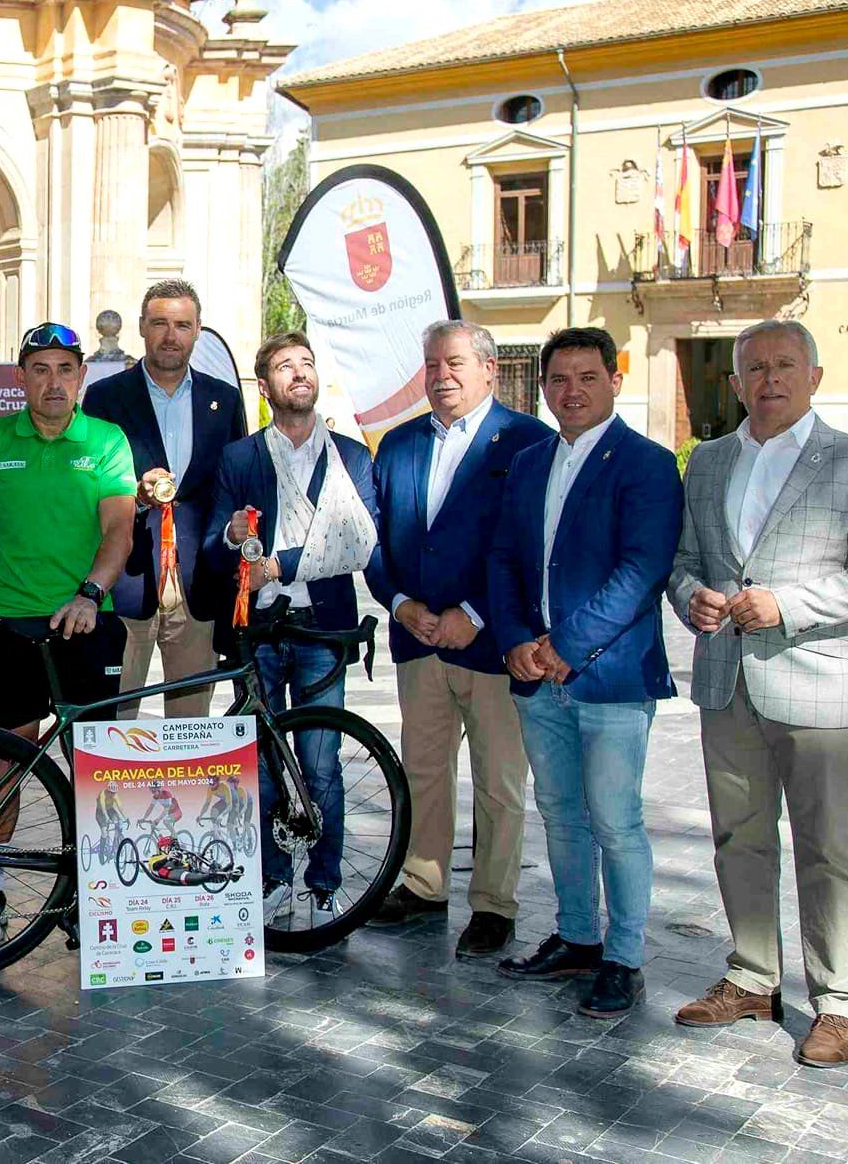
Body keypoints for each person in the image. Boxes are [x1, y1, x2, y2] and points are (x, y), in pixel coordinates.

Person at [667, 320, 848, 1067]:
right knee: (738, 837)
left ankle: (840, 1002)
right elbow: (682, 561)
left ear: (813, 374)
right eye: (754, 367)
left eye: (784, 365)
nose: (769, 378)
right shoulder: (708, 461)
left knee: (826, 847)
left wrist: (791, 603)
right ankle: (751, 975)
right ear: (737, 382)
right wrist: (693, 600)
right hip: (728, 679)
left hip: (821, 688)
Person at [486, 328, 682, 1018]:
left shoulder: (648, 464)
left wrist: (565, 646)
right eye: (559, 379)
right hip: (536, 677)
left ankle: (623, 958)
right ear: (543, 387)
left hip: (612, 680)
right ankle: (578, 936)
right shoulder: (531, 461)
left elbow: (640, 571)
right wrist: (513, 638)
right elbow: (504, 558)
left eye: (587, 377)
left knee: (615, 820)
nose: (571, 391)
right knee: (560, 814)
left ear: (614, 379)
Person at [364, 319, 554, 958]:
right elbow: (376, 540)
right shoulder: (397, 444)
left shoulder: (528, 442)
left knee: (500, 780)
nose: (442, 377)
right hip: (419, 641)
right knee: (424, 770)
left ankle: (495, 903)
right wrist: (400, 603)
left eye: (455, 365)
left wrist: (474, 612)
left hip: (495, 646)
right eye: (433, 365)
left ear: (490, 370)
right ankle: (424, 882)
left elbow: (531, 547)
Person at [0, 322, 135, 941]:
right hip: (7, 619)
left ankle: (90, 893)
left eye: (65, 369)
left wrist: (90, 592)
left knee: (92, 761)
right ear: (21, 378)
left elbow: (120, 530)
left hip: (87, 619)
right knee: (8, 752)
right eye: (40, 369)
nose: (53, 382)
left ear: (82, 377)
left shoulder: (108, 441)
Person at [198, 331, 378, 920]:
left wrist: (280, 564)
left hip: (322, 627)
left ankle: (324, 881)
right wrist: (231, 537)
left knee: (321, 761)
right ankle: (274, 875)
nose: (299, 373)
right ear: (266, 385)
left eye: (306, 363)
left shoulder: (350, 456)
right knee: (261, 761)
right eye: (284, 366)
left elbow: (359, 539)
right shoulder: (242, 457)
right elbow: (212, 540)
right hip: (259, 631)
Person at [83, 279, 246, 718]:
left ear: (197, 330)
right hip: (126, 585)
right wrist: (134, 498)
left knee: (192, 727)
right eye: (159, 323)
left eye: (182, 325)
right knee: (111, 723)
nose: (170, 336)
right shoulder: (104, 399)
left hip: (198, 588)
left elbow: (234, 489)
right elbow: (87, 490)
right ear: (141, 327)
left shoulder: (224, 400)